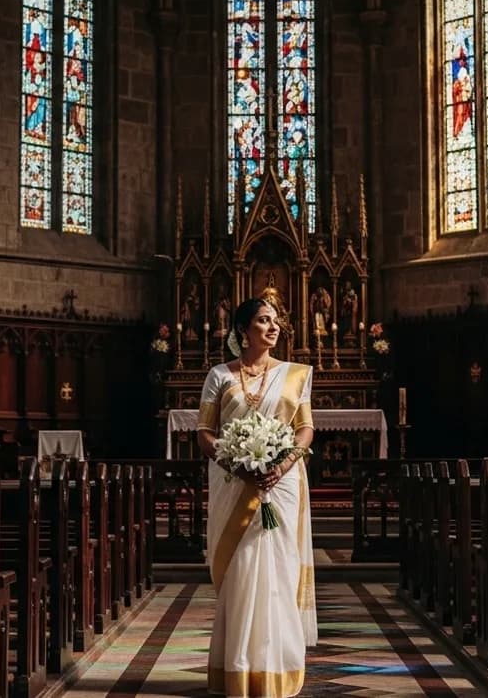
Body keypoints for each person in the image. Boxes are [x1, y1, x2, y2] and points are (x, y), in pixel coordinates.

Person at [198, 298, 317, 697]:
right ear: (243, 331)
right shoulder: (219, 375)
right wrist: (237, 464)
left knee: (278, 570)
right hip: (235, 483)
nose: (273, 327)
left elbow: (305, 430)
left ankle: (278, 667)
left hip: (281, 484)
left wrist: (280, 466)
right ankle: (237, 667)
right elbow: (204, 432)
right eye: (263, 321)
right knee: (242, 569)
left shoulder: (296, 374)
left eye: (276, 320)